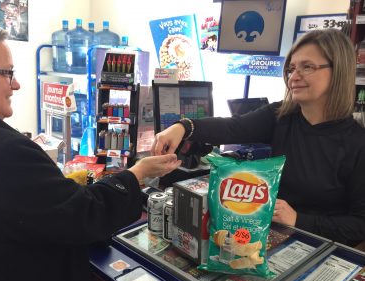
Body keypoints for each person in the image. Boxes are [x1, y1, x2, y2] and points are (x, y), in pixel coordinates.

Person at [0, 16, 181, 281]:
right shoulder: (2, 153)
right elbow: (83, 215)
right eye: (7, 73)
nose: (16, 84)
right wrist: (137, 173)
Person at [152, 29, 365, 247]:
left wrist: (299, 220)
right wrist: (183, 127)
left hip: (322, 250)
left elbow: (359, 225)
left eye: (307, 67)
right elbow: (232, 127)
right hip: (269, 238)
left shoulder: (357, 143)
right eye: (291, 68)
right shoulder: (280, 116)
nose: (294, 77)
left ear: (338, 71)